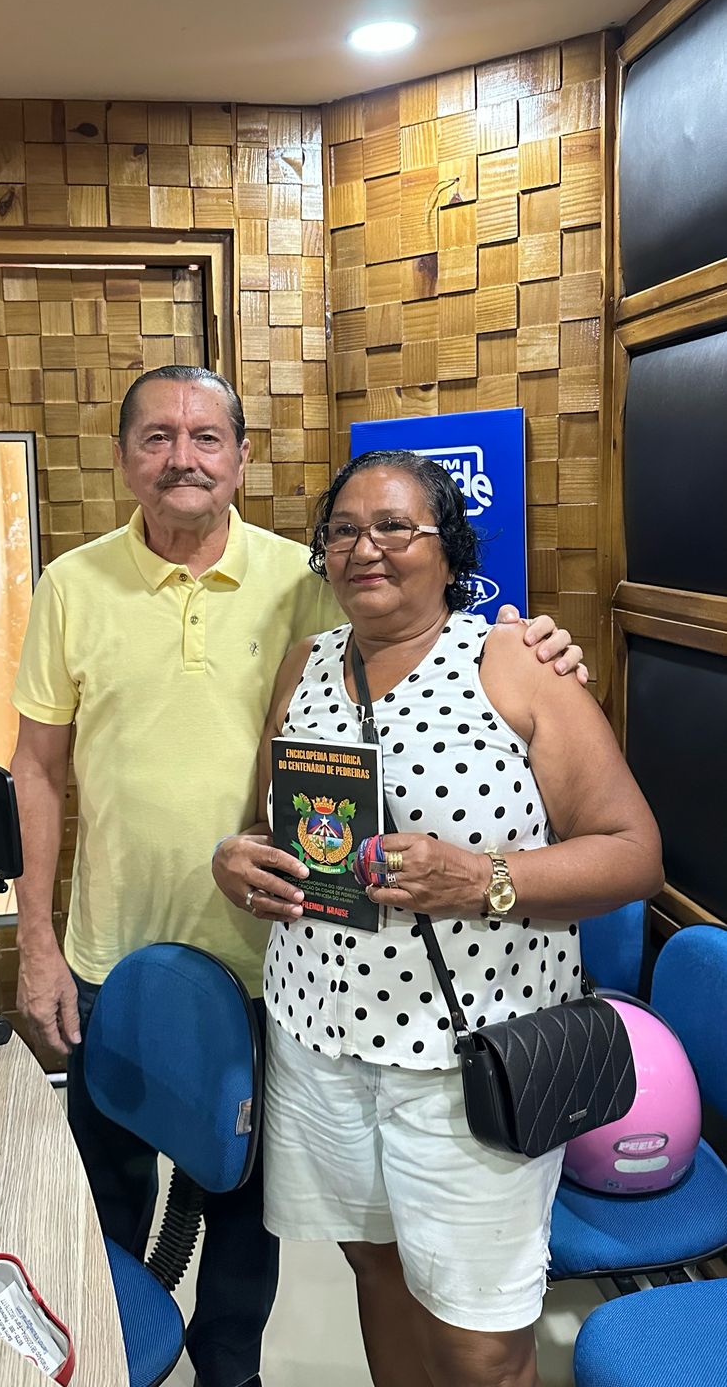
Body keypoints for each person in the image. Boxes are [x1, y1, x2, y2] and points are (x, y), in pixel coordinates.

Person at [10, 369, 587, 1387]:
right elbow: (37, 769)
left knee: (247, 1228)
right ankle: (98, 1365)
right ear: (123, 457)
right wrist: (36, 941)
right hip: (113, 959)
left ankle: (231, 1377)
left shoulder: (306, 579)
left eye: (206, 436)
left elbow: (419, 626)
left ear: (241, 457)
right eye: (156, 436)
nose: (182, 456)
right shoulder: (70, 585)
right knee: (104, 1206)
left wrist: (544, 641)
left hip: (273, 973)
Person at [212, 449, 662, 1387]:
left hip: (465, 1060)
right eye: (343, 531)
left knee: (480, 1344)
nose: (365, 548)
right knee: (375, 1270)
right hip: (318, 1041)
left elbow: (633, 853)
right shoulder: (304, 665)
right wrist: (239, 858)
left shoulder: (514, 664)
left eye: (394, 528)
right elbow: (273, 823)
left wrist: (481, 879)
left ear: (449, 550)